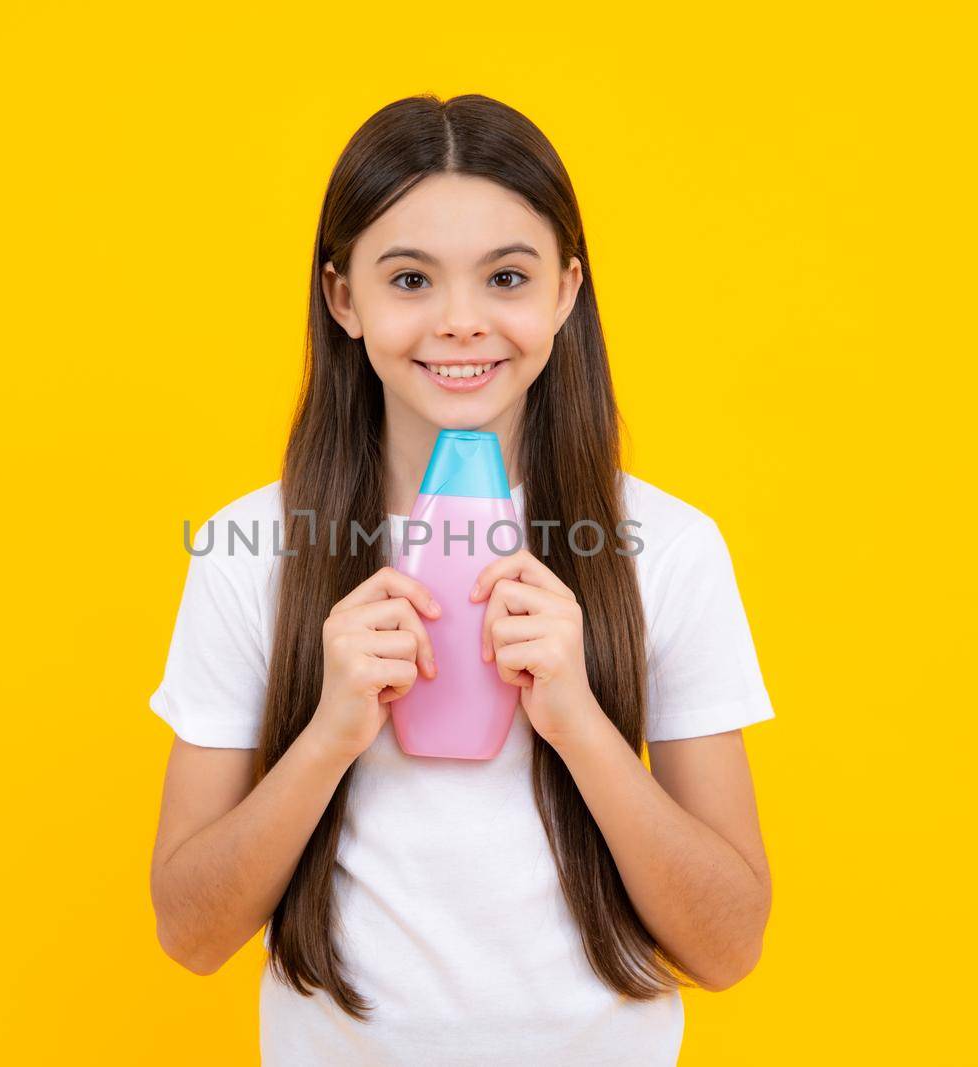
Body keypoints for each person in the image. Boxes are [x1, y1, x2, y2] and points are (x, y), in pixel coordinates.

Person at [148, 93, 776, 1066]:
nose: (460, 322)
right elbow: (190, 931)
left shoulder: (671, 548)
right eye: (409, 277)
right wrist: (330, 731)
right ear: (342, 297)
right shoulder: (250, 549)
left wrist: (575, 717)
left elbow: (729, 942)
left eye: (506, 276)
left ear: (566, 292)